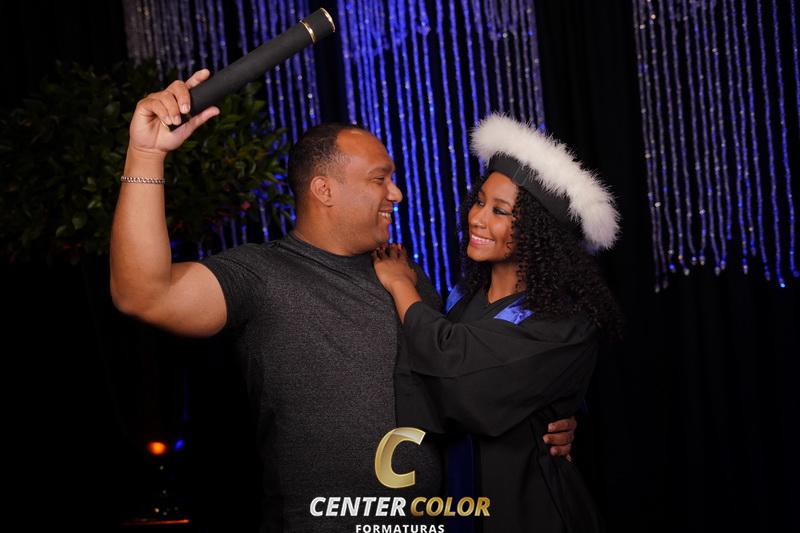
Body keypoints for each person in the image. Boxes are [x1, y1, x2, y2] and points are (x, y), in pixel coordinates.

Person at [110, 71, 577, 532]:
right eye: (380, 179)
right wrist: (146, 154)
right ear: (324, 190)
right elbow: (144, 294)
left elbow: (465, 379)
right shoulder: (260, 274)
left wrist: (538, 420)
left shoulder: (405, 273)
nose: (396, 193)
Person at [372, 114, 623, 533]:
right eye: (479, 201)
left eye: (500, 211)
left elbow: (459, 380)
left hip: (530, 511)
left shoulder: (564, 323)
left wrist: (400, 285)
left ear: (538, 234)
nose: (477, 217)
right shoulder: (461, 299)